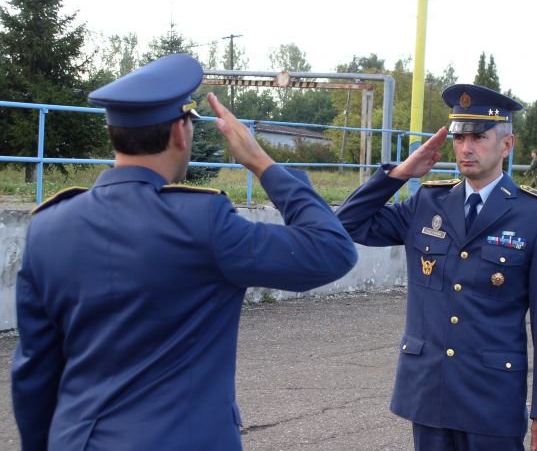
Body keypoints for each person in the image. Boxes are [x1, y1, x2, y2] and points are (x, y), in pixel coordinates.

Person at [11, 54, 357, 451]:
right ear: (180, 132)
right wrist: (261, 162)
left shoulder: (48, 225)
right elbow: (331, 250)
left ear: (113, 133)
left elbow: (34, 374)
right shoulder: (204, 221)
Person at [337, 84, 537, 451]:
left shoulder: (535, 214)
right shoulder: (429, 202)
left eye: (479, 137)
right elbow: (346, 224)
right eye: (459, 138)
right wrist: (399, 174)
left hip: (491, 401)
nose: (466, 148)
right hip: (429, 395)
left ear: (506, 145)